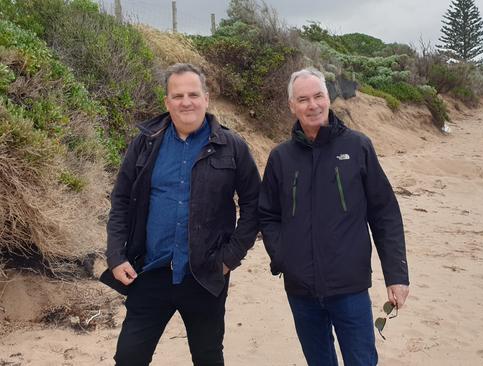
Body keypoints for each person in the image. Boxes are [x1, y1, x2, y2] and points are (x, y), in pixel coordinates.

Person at [105, 63, 260, 366]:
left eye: (193, 94)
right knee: (128, 357)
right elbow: (121, 200)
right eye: (177, 96)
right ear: (166, 102)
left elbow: (255, 205)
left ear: (206, 97)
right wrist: (115, 255)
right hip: (149, 272)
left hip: (205, 274)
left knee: (208, 357)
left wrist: (230, 257)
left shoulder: (233, 146)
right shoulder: (145, 143)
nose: (185, 102)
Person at [258, 68, 409, 365]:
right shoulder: (281, 157)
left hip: (349, 286)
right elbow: (267, 214)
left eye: (318, 96)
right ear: (292, 106)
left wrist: (397, 276)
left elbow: (385, 213)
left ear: (329, 98)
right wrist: (283, 258)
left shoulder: (358, 146)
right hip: (300, 289)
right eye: (303, 99)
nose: (312, 105)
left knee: (362, 360)